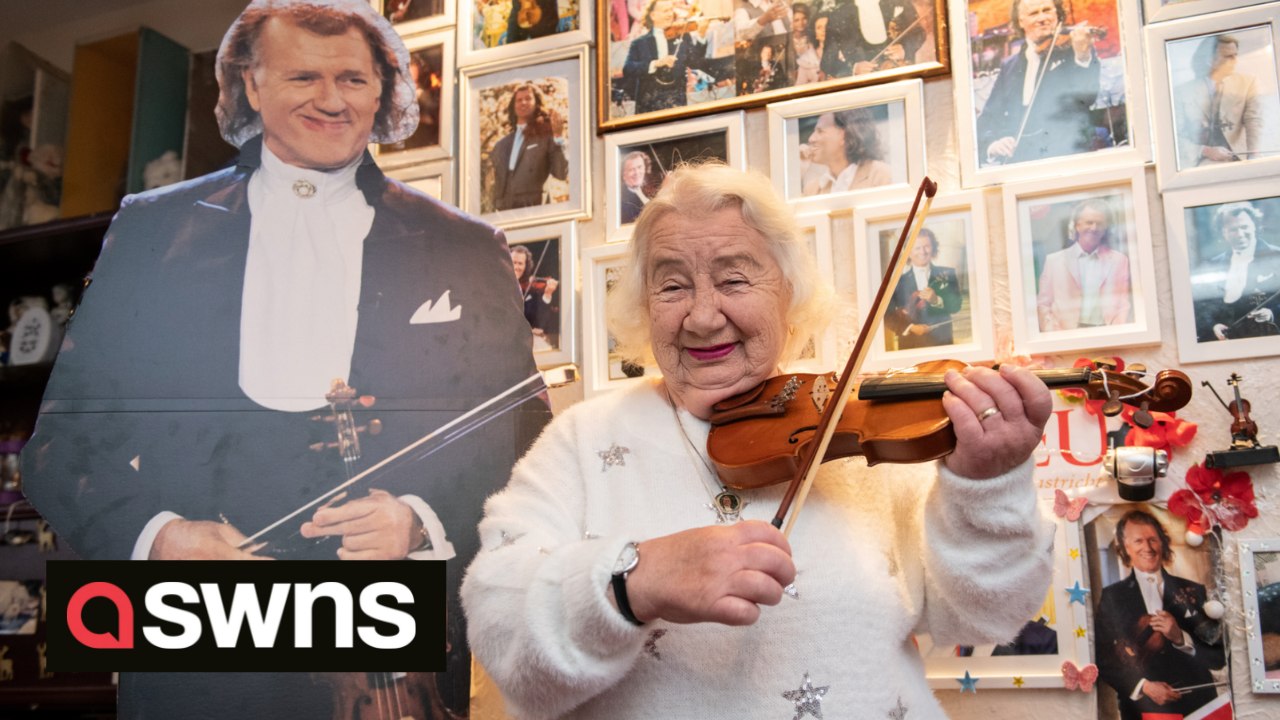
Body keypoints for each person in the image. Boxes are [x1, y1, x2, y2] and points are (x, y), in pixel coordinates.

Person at [23, 1, 548, 717]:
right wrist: (158, 538)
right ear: (249, 82)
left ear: (384, 88)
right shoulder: (153, 230)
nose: (331, 101)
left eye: (353, 80)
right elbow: (62, 446)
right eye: (303, 76)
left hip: (385, 645)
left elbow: (522, 442)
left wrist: (422, 519)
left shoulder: (462, 244)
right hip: (195, 633)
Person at [461, 164, 1056, 718]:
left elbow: (986, 616)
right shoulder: (583, 438)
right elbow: (502, 632)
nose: (701, 316)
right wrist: (630, 582)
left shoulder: (860, 424)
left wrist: (988, 484)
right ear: (644, 305)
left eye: (734, 279)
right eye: (672, 287)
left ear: (789, 294)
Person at [1095, 510, 1225, 720]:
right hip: (1143, 710)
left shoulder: (1195, 590)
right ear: (1125, 547)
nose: (1147, 548)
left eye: (1152, 539)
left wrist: (1181, 638)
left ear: (1163, 543)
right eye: (1138, 541)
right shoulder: (1112, 596)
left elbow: (1217, 658)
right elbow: (1102, 656)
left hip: (1200, 706)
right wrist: (1144, 686)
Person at [976, 0, 1101, 166]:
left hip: (1069, 152)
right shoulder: (1010, 66)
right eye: (1034, 13)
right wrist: (993, 145)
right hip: (1022, 158)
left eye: (1047, 10)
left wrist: (1082, 57)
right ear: (1021, 21)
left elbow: (1088, 97)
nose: (1042, 18)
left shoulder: (1074, 50)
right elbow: (989, 117)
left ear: (1057, 14)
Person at [1035, 198, 1132, 332]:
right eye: (1089, 222)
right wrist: (1055, 334)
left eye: (1099, 223)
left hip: (1108, 333)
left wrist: (1116, 332)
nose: (1094, 228)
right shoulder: (1054, 261)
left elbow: (1123, 303)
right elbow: (1043, 304)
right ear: (1077, 225)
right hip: (1066, 335)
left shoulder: (1119, 260)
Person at [1193, 201, 1280, 342]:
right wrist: (1213, 326)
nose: (1240, 234)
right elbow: (1202, 310)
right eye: (1233, 229)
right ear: (1223, 233)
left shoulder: (1276, 257)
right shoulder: (1213, 266)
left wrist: (1272, 313)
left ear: (1255, 226)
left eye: (1244, 227)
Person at [1176, 34, 1264, 169]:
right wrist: (1205, 150)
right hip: (1200, 163)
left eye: (1236, 55)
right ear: (1209, 59)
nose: (1235, 61)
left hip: (1240, 159)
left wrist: (1254, 156)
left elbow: (1254, 121)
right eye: (1228, 56)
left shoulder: (1248, 82)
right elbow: (1175, 138)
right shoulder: (1182, 92)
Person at [489, 82, 569, 211]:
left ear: (537, 103)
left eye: (528, 98)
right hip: (504, 215)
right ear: (513, 106)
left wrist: (558, 137)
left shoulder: (546, 136)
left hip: (534, 211)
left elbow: (561, 173)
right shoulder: (501, 145)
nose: (523, 103)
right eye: (519, 100)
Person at [623, 0, 711, 114]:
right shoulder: (639, 43)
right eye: (665, 11)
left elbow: (697, 64)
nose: (670, 14)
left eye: (671, 10)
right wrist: (655, 63)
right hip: (648, 106)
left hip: (676, 103)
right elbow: (627, 69)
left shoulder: (683, 36)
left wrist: (701, 36)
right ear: (653, 15)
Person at [885, 228, 963, 350]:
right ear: (909, 252)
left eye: (927, 246)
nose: (923, 252)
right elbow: (887, 315)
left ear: (933, 248)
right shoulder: (896, 281)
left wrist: (936, 300)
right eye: (917, 248)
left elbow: (956, 306)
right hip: (910, 346)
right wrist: (910, 327)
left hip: (942, 343)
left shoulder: (948, 274)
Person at [801, 108, 893, 195]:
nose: (811, 139)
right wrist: (800, 172)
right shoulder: (812, 190)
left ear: (844, 135)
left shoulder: (881, 176)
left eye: (820, 131)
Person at [735, 0, 795, 94]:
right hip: (765, 69)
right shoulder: (743, 11)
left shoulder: (780, 4)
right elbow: (742, 34)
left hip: (788, 62)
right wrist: (764, 19)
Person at [511, 244, 560, 349]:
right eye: (513, 262)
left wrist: (547, 294)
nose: (516, 267)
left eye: (520, 263)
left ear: (525, 266)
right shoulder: (496, 287)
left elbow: (539, 320)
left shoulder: (530, 292)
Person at [619, 150, 653, 224]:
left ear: (645, 168)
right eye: (631, 169)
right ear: (624, 175)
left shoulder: (647, 189)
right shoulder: (621, 201)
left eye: (640, 167)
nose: (637, 173)